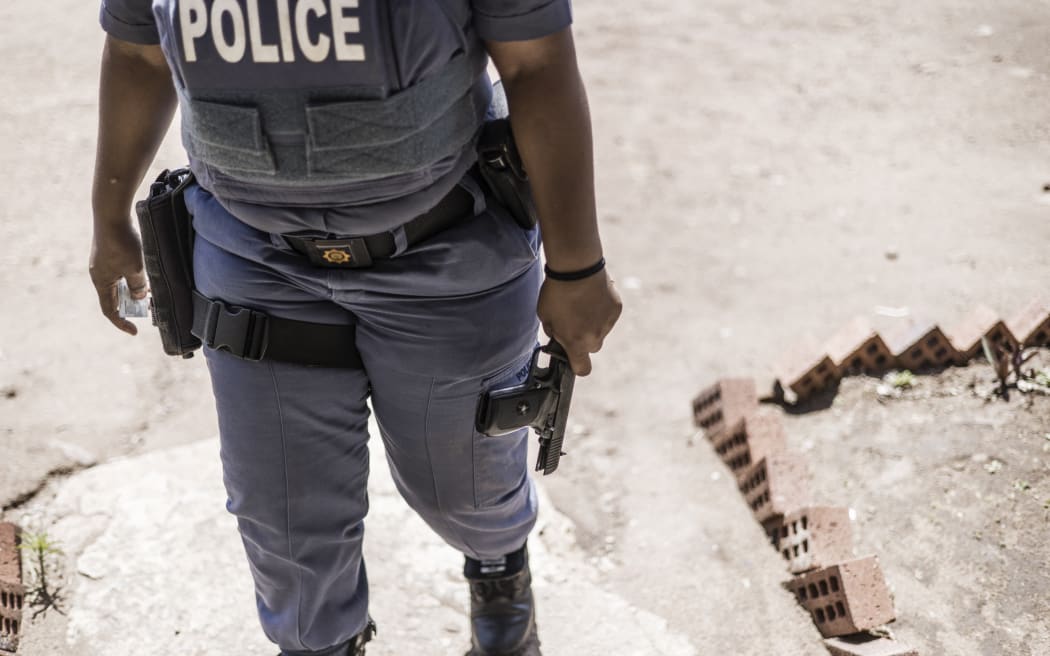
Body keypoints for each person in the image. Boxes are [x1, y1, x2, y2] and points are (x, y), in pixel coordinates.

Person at [89, 1, 621, 654]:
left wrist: (576, 266)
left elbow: (536, 62)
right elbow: (139, 54)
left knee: (464, 492)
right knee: (283, 521)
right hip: (256, 259)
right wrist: (108, 216)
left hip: (449, 252)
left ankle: (499, 572)